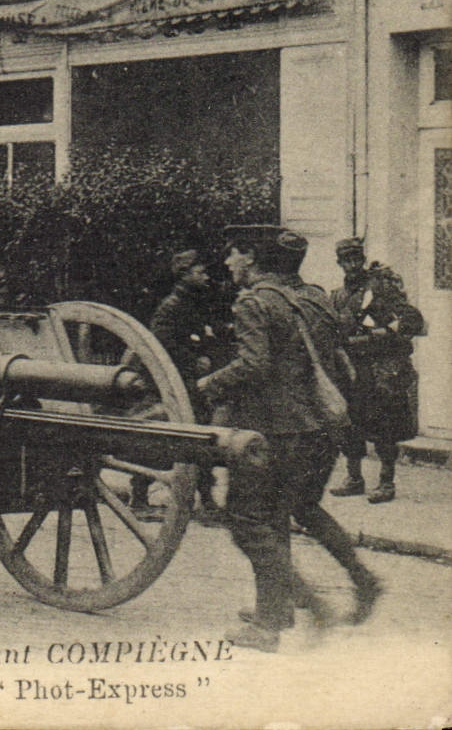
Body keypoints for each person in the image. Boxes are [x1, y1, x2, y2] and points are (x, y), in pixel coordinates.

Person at [196, 225, 381, 652]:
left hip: (274, 430)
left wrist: (209, 384)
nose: (227, 263)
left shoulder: (254, 302)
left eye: (234, 254)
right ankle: (361, 581)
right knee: (296, 508)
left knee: (247, 522)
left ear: (252, 258)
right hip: (322, 429)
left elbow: (253, 366)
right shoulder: (315, 296)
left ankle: (281, 621)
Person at [328, 237, 425, 504]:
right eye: (347, 260)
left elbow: (413, 320)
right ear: (339, 263)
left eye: (356, 259)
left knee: (385, 427)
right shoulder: (337, 296)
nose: (352, 265)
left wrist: (380, 335)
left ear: (362, 259)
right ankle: (354, 478)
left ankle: (386, 482)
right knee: (350, 425)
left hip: (379, 369)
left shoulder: (380, 288)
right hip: (351, 370)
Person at [138, 250, 227, 518]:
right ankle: (139, 494)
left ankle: (206, 499)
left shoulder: (193, 302)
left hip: (190, 383)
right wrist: (193, 361)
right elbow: (162, 343)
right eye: (200, 272)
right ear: (185, 275)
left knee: (200, 436)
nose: (206, 276)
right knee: (163, 439)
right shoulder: (172, 305)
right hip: (175, 382)